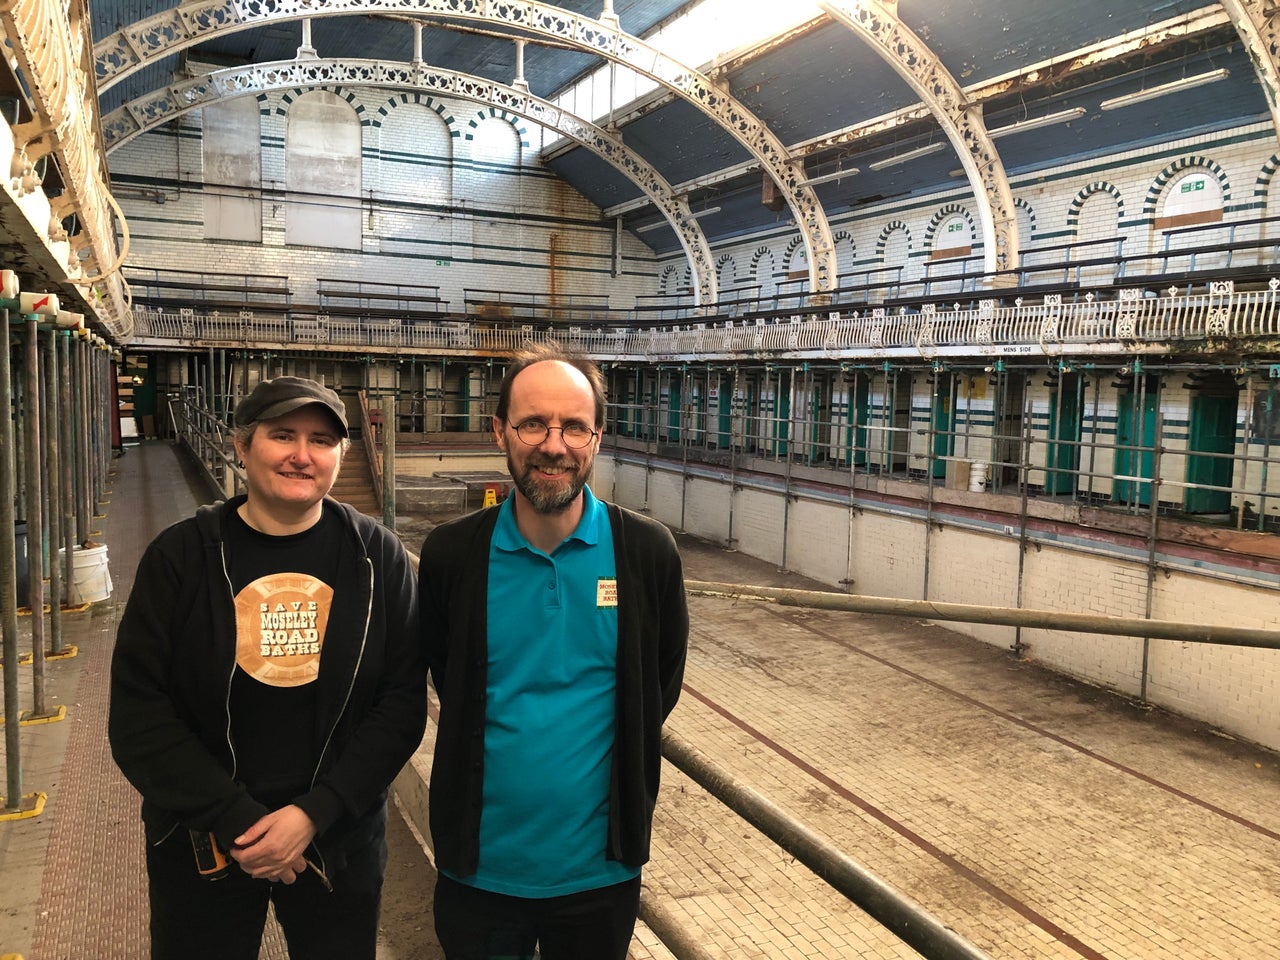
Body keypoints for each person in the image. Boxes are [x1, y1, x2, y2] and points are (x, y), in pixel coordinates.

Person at [109, 375, 427, 960]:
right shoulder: (181, 559)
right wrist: (236, 818)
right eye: (283, 435)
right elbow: (139, 716)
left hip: (337, 841)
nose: (302, 455)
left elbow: (400, 704)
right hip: (205, 839)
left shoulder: (377, 558)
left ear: (342, 454)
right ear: (241, 445)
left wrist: (314, 813)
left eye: (322, 440)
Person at [418, 342, 689, 960]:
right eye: (533, 423)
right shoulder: (452, 556)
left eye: (573, 426)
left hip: (600, 875)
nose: (553, 444)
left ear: (597, 437)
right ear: (500, 431)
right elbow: (444, 674)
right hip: (477, 874)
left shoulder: (646, 554)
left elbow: (658, 685)